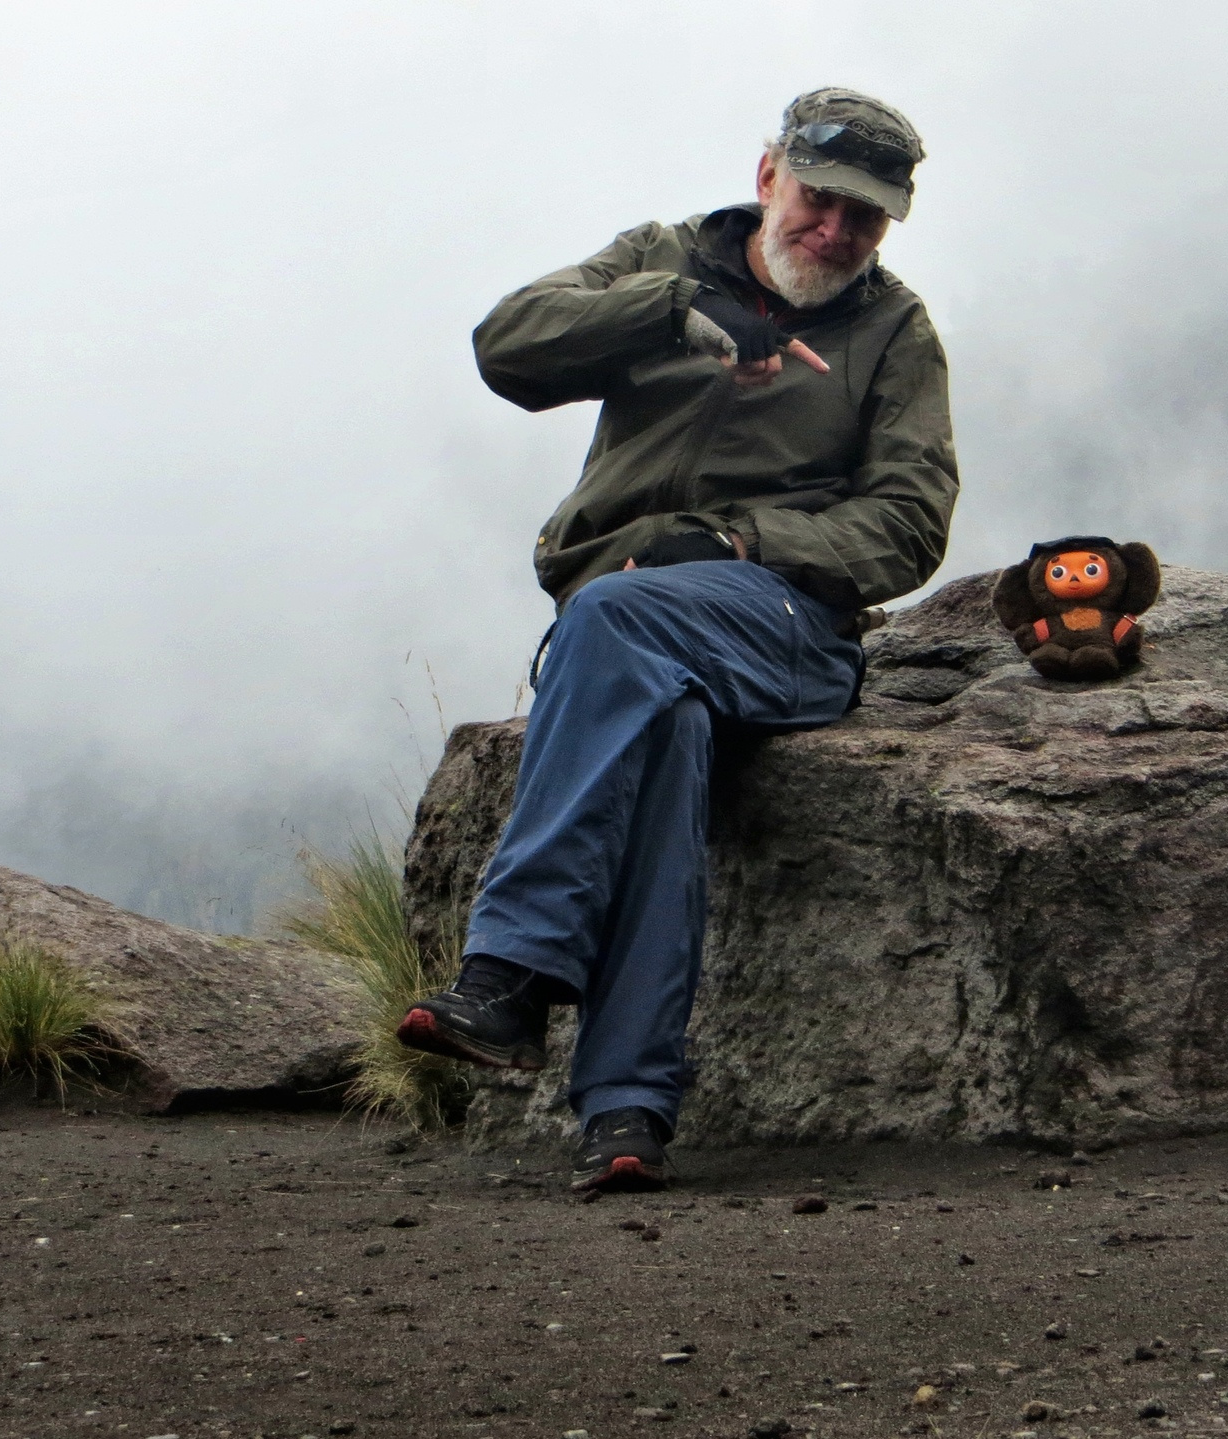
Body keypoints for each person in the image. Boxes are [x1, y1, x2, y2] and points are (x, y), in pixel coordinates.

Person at [396, 88, 959, 1191]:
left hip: (783, 622)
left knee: (615, 618)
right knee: (670, 733)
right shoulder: (663, 259)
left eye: (866, 216)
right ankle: (627, 1110)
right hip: (630, 620)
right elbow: (507, 346)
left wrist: (737, 538)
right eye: (820, 198)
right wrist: (667, 314)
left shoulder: (894, 332)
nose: (836, 230)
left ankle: (508, 969)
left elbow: (909, 524)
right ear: (768, 175)